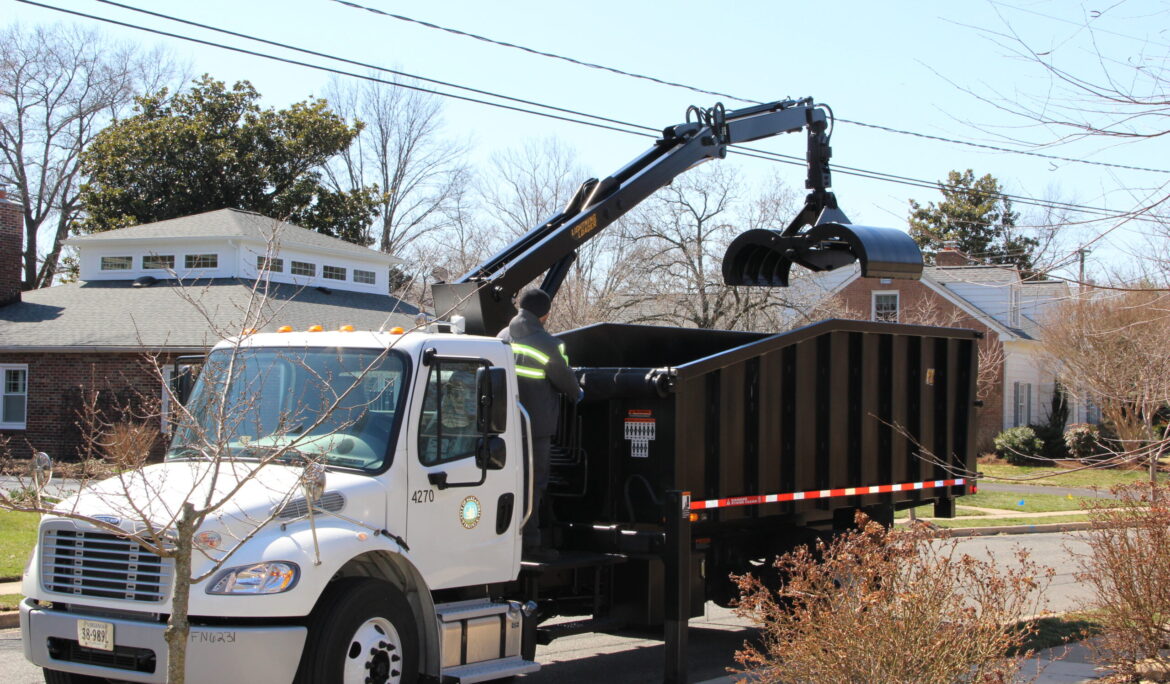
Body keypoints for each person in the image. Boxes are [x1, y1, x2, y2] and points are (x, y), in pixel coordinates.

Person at [498, 288, 582, 561]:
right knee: (533, 484)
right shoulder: (549, 345)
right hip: (536, 429)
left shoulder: (501, 338)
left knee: (508, 481)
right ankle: (530, 543)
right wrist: (578, 392)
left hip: (503, 427)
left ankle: (505, 538)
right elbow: (567, 382)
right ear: (545, 315)